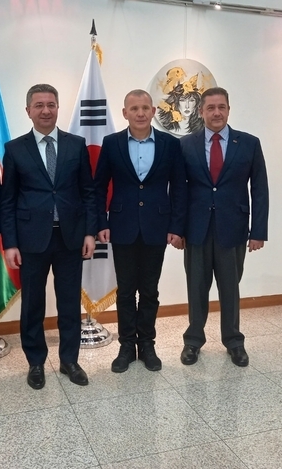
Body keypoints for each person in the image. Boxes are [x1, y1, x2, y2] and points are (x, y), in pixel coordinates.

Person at [0, 83, 97, 389]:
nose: (45, 110)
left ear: (58, 108)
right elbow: (7, 200)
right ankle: (36, 363)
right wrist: (11, 243)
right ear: (28, 110)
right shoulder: (15, 149)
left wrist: (90, 233)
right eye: (39, 105)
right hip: (31, 240)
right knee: (33, 304)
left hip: (69, 238)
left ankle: (70, 360)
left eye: (51, 104)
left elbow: (88, 193)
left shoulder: (75, 145)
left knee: (69, 302)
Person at [94, 89, 187, 373]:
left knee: (149, 290)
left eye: (145, 107)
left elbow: (180, 188)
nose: (140, 113)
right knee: (125, 292)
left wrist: (176, 226)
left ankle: (147, 345)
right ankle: (126, 346)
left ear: (153, 111)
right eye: (134, 108)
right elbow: (99, 187)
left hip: (157, 228)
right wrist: (101, 223)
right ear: (125, 113)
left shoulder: (171, 144)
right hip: (121, 228)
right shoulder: (112, 143)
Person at [179, 87, 269, 367]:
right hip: (196, 229)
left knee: (230, 288)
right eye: (210, 108)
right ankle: (193, 341)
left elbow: (260, 189)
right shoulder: (185, 145)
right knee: (196, 288)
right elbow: (179, 191)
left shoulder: (249, 143)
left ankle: (234, 342)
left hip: (233, 228)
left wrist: (258, 231)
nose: (216, 113)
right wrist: (178, 229)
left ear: (228, 109)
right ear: (201, 111)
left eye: (222, 107)